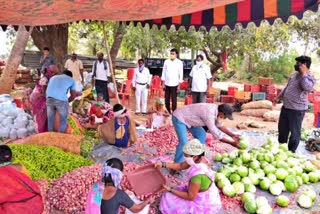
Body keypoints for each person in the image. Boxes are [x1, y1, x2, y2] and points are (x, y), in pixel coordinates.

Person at [155, 139, 222, 214]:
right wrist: (163, 164)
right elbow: (180, 166)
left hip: (203, 203)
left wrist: (170, 189)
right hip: (201, 191)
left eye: (186, 155)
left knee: (168, 198)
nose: (184, 157)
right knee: (175, 192)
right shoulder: (199, 159)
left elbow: (190, 197)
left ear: (195, 156)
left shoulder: (197, 176)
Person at [274, 55, 316, 153]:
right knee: (282, 130)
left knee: (294, 132)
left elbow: (307, 88)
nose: (296, 65)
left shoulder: (310, 78)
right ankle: (282, 148)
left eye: (298, 64)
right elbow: (287, 87)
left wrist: (304, 74)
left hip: (297, 110)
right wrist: (278, 97)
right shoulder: (294, 75)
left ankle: (291, 151)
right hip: (286, 107)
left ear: (305, 65)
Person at [172, 103, 240, 163]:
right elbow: (216, 134)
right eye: (226, 116)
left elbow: (219, 125)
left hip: (191, 120)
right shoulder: (209, 114)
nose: (225, 118)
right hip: (180, 118)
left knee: (201, 135)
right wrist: (232, 143)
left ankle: (197, 156)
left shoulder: (216, 111)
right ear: (222, 113)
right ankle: (177, 163)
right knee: (183, 142)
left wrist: (232, 135)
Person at [85, 158, 154, 214]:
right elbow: (136, 209)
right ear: (118, 176)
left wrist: (123, 194)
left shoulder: (95, 186)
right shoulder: (119, 194)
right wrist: (147, 201)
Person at [0, 145, 43, 214]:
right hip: (36, 204)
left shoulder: (1, 172)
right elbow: (29, 182)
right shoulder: (20, 167)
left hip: (15, 209)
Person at [30, 65, 58, 133]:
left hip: (41, 97)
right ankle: (41, 131)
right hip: (38, 99)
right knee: (42, 114)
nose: (54, 74)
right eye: (52, 72)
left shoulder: (49, 79)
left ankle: (44, 129)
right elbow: (45, 94)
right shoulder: (45, 79)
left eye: (56, 73)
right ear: (48, 71)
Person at [161, 48, 184, 114]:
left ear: (176, 54)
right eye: (171, 53)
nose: (171, 55)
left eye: (173, 54)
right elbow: (164, 72)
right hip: (167, 83)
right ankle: (168, 112)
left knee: (174, 100)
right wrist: (163, 83)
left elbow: (181, 74)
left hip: (175, 84)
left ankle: (174, 113)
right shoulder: (166, 61)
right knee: (166, 100)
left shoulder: (179, 62)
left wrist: (179, 85)